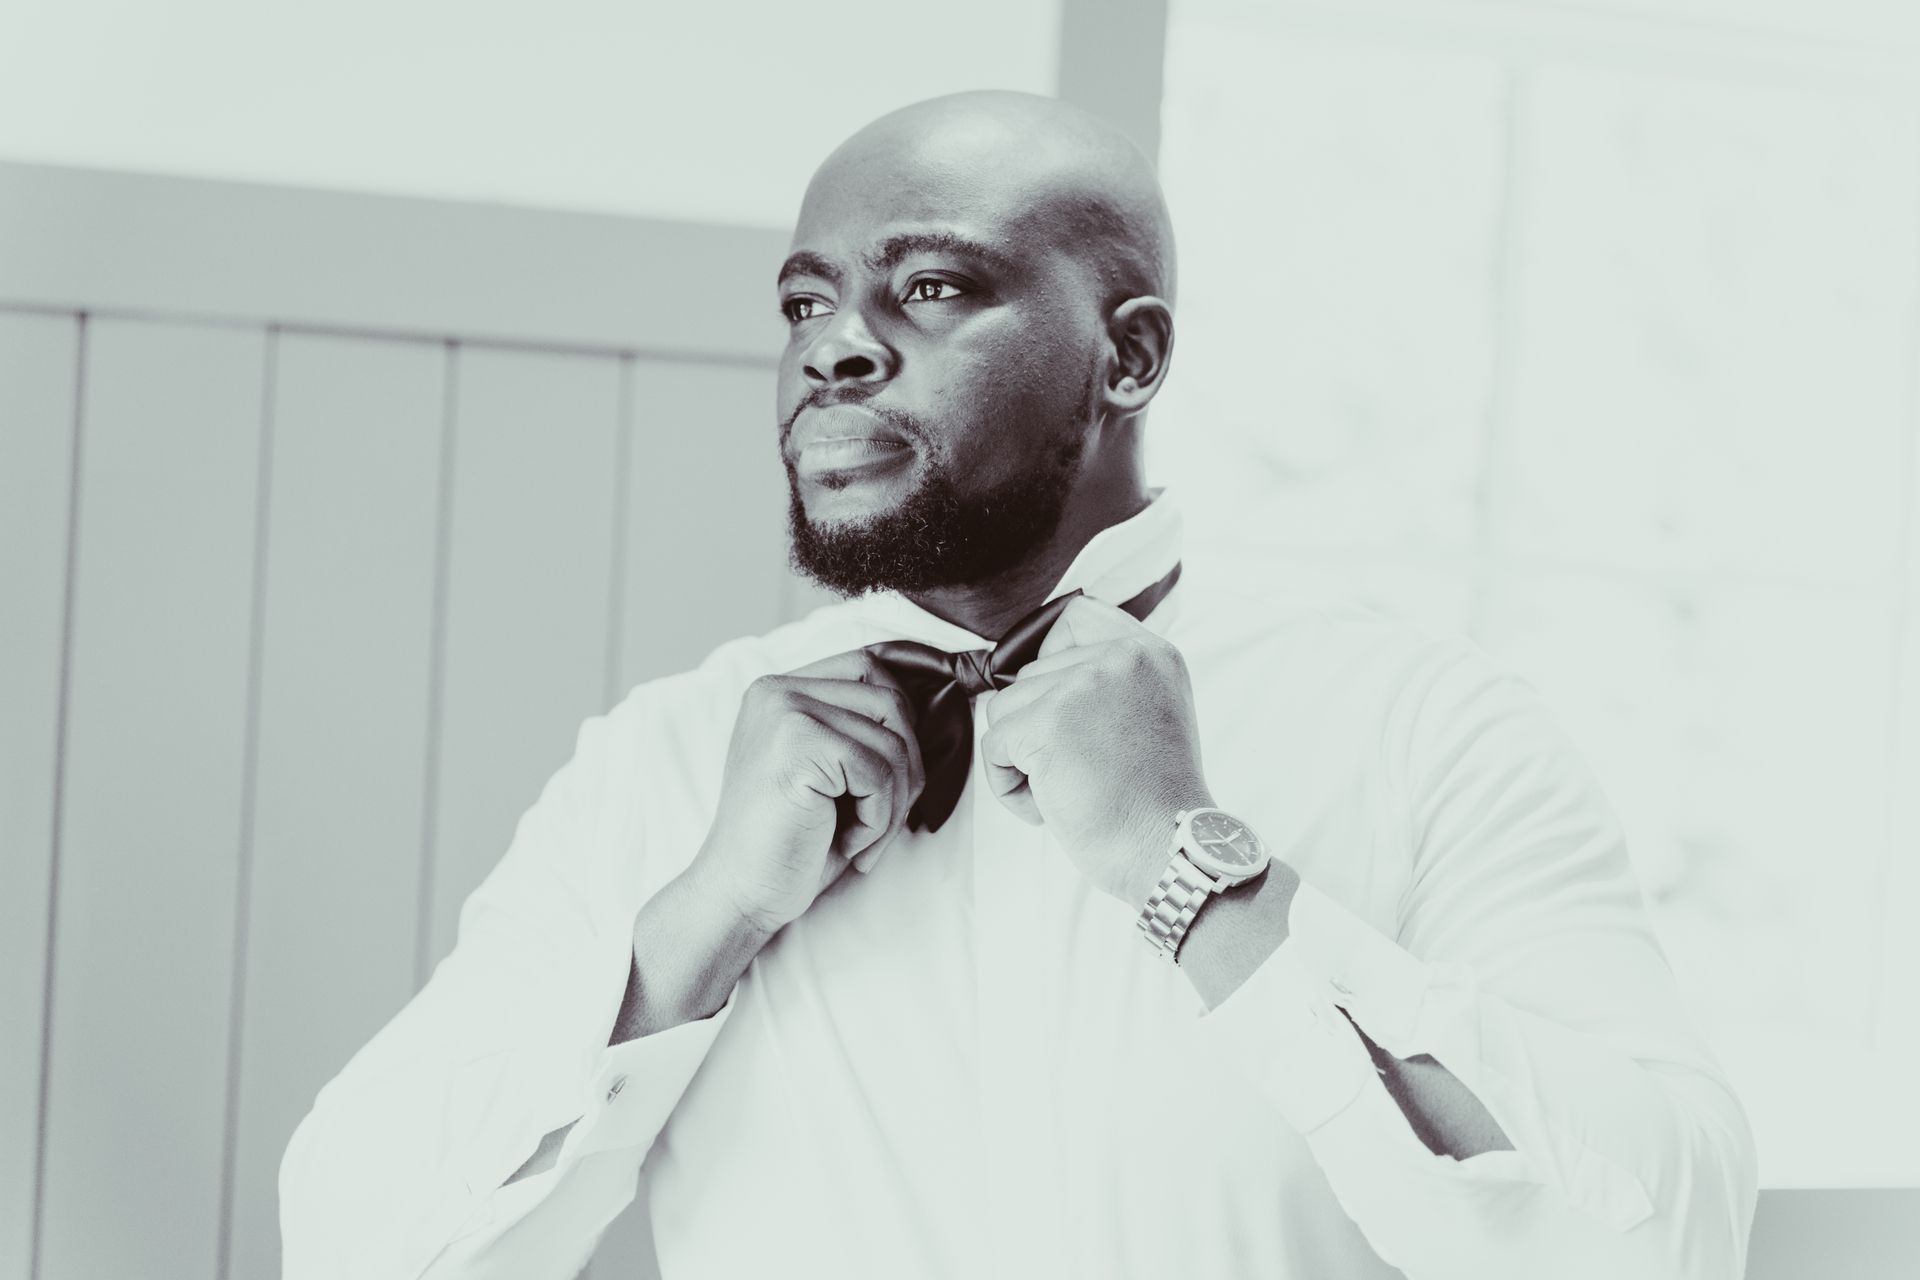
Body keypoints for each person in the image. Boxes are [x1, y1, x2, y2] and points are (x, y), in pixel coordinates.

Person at [279, 90, 1757, 1279]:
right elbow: (354, 1245)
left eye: (929, 288)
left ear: (1129, 358)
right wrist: (698, 922)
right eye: (804, 304)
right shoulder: (666, 765)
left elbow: (1666, 1239)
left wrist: (1199, 874)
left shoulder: (1422, 727)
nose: (837, 350)